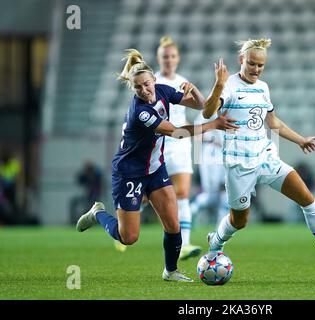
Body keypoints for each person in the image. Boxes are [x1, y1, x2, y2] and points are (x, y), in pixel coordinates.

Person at [76, 49, 238, 282]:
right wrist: (213, 126)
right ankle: (98, 213)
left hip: (154, 169)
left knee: (173, 224)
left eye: (146, 84)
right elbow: (178, 133)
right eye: (138, 87)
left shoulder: (163, 90)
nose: (144, 90)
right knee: (129, 237)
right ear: (133, 89)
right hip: (129, 173)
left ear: (154, 80)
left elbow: (204, 108)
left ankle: (170, 271)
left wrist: (197, 90)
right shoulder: (140, 113)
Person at [202, 38, 315, 270]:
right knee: (240, 221)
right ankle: (216, 240)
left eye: (261, 65)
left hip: (265, 157)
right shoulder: (229, 86)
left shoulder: (263, 87)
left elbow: (273, 122)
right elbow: (207, 113)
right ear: (241, 60)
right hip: (239, 163)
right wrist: (218, 85)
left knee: (307, 199)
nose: (256, 69)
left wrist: (300, 140)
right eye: (252, 64)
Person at [152, 36, 202, 260]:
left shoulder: (183, 81)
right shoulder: (151, 81)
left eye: (172, 56)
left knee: (182, 193)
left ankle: (185, 244)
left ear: (178, 58)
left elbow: (201, 106)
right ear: (158, 58)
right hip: (158, 142)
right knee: (146, 196)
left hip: (180, 141)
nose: (169, 60)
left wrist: (193, 91)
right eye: (165, 57)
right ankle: (123, 225)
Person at [190, 112, 229, 226]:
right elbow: (196, 134)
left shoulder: (233, 107)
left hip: (226, 156)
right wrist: (213, 139)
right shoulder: (208, 111)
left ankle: (221, 225)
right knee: (212, 195)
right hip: (211, 157)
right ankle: (189, 212)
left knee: (225, 190)